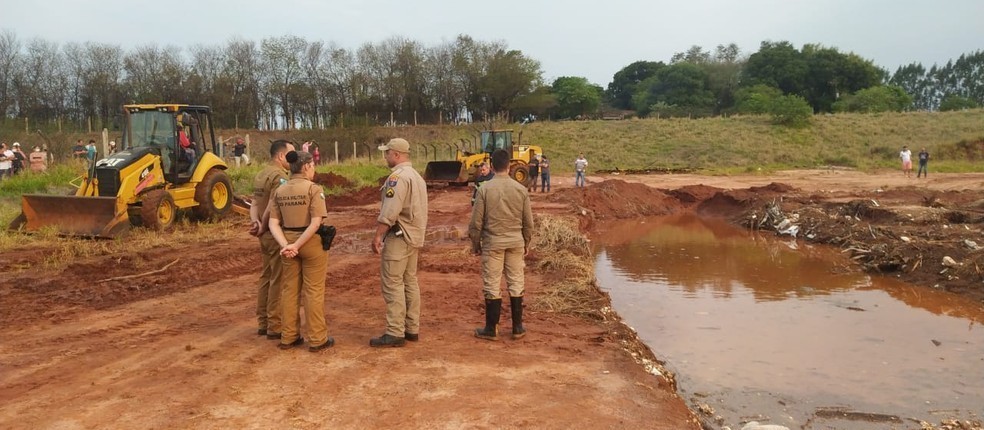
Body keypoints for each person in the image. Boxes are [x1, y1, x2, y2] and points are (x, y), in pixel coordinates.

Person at [268, 150, 334, 352]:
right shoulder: (314, 189)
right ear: (306, 166)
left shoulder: (280, 190)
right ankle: (317, 339)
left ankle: (288, 336)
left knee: (289, 290)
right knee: (313, 291)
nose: (314, 169)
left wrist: (286, 245)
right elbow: (315, 223)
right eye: (313, 165)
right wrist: (297, 246)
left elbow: (273, 223)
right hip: (309, 243)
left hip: (287, 241)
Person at [471, 149, 534, 341]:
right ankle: (517, 327)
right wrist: (526, 242)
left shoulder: (484, 189)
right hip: (515, 241)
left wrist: (476, 243)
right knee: (516, 282)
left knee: (492, 283)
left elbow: (476, 223)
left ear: (492, 165)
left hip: (493, 243)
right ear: (508, 165)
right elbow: (528, 222)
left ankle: (491, 329)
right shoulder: (521, 190)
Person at [370, 138, 428, 348]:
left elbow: (390, 212)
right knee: (410, 281)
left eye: (387, 153)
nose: (385, 156)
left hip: (399, 237)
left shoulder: (398, 178)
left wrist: (378, 236)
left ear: (396, 154)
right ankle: (412, 328)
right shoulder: (417, 177)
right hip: (413, 237)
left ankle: (395, 331)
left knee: (393, 283)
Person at [249, 139, 294, 340]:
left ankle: (263, 322)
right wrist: (265, 225)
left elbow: (254, 203)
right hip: (274, 233)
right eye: (290, 155)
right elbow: (271, 207)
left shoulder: (261, 173)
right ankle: (274, 325)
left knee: (266, 276)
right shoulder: (279, 177)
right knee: (278, 278)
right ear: (281, 156)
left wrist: (256, 224)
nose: (293, 161)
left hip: (263, 233)